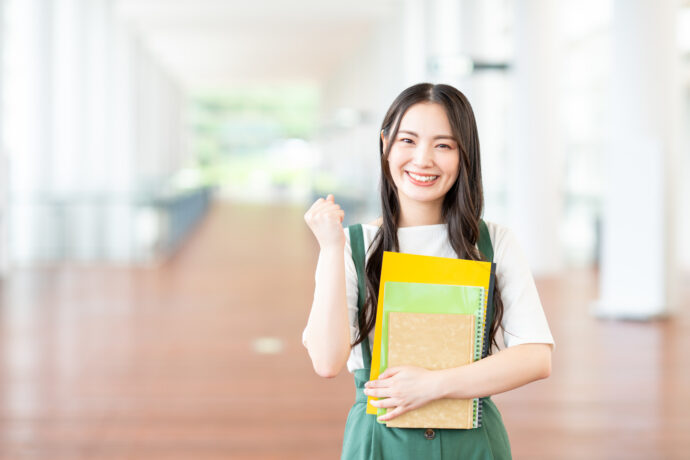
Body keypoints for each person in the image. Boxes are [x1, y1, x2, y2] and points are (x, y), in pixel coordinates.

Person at [302, 82, 554, 460]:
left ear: (464, 155)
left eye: (444, 145)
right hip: (380, 443)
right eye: (408, 140)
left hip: (473, 443)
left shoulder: (493, 242)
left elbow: (536, 357)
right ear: (385, 143)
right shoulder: (353, 245)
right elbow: (327, 361)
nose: (423, 159)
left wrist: (434, 385)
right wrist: (331, 250)